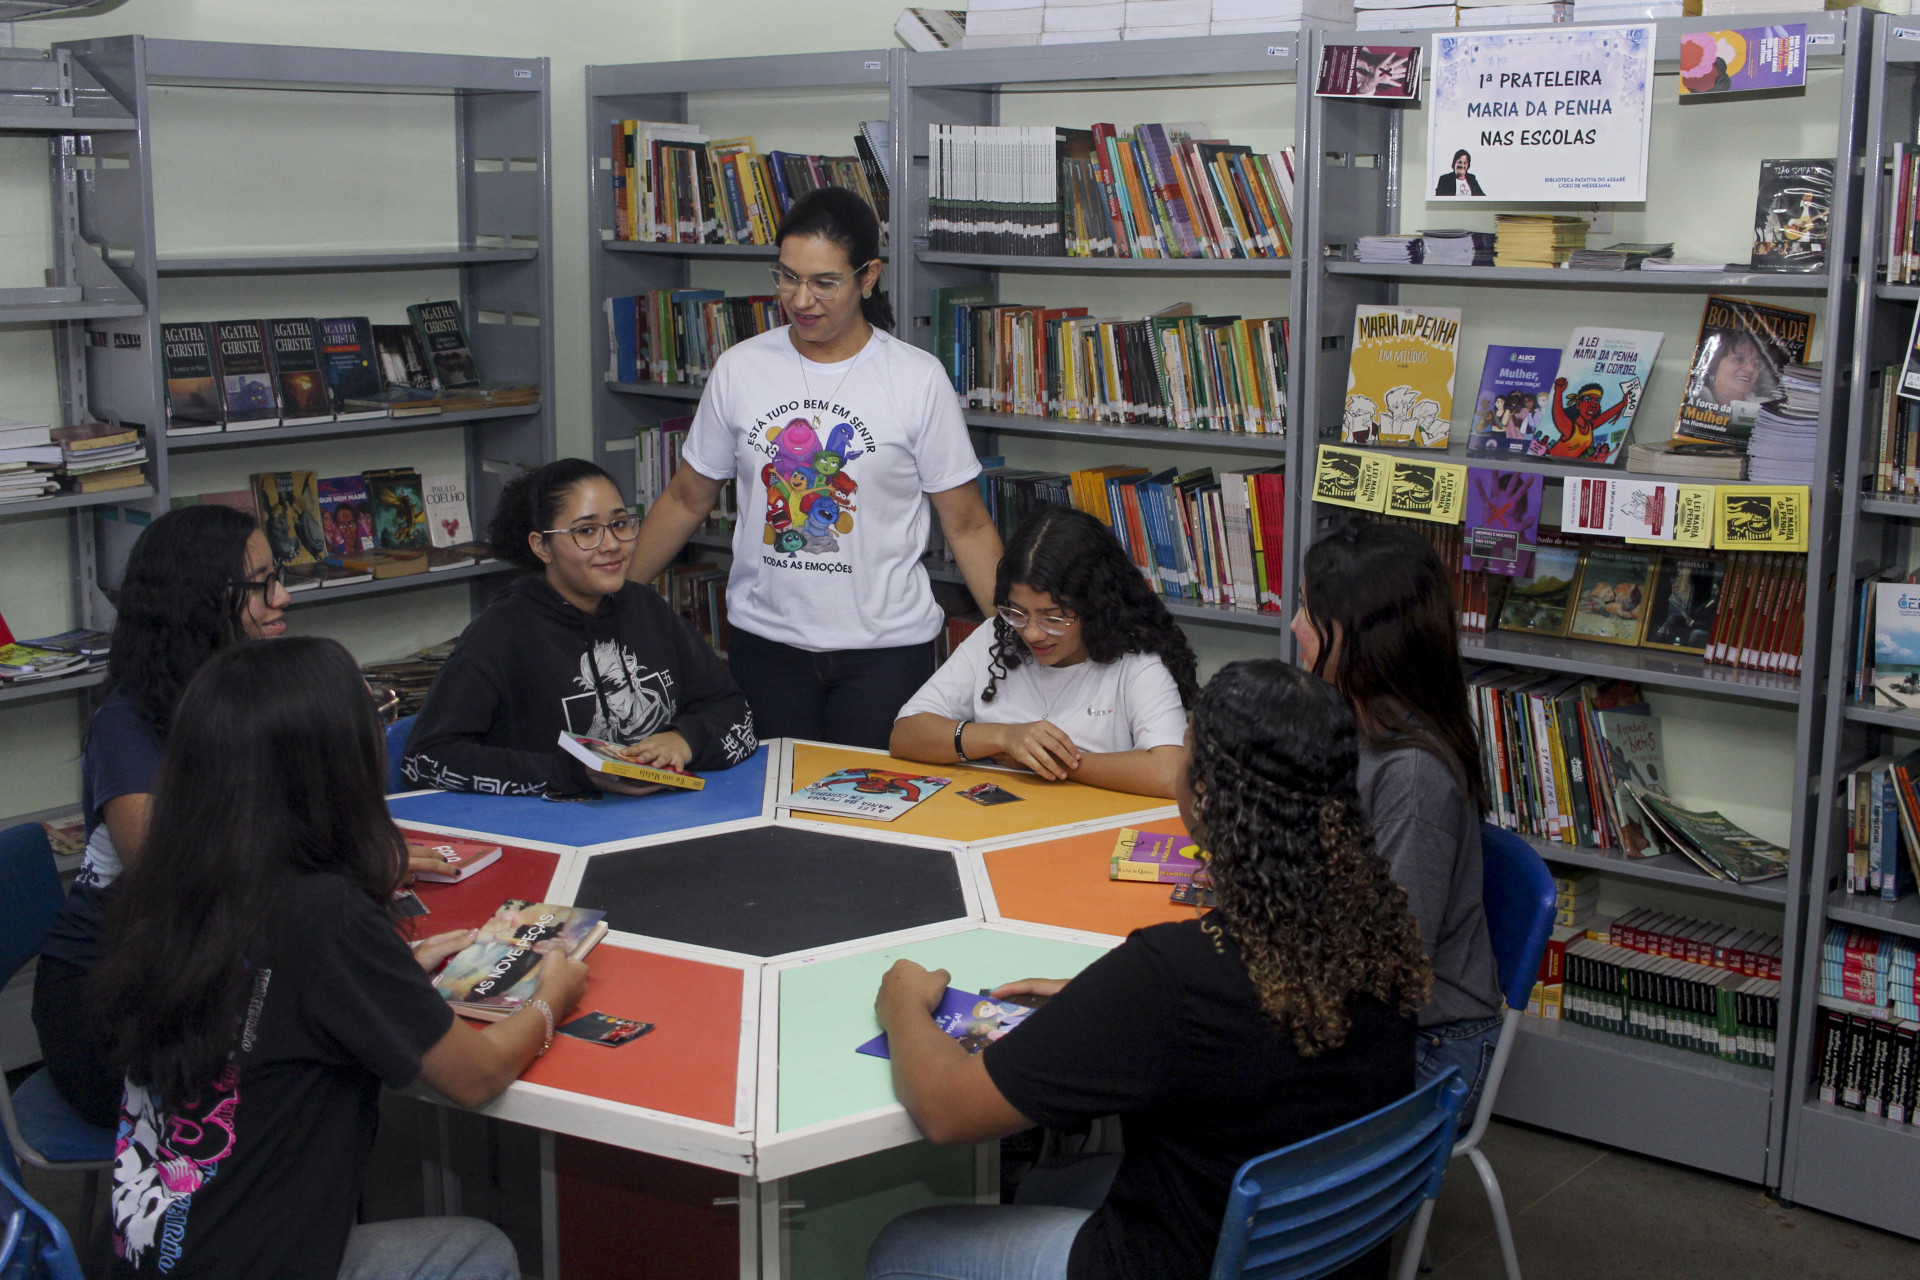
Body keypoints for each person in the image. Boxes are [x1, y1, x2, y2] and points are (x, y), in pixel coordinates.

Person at [865, 661, 1432, 1280]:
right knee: (1049, 1187)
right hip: (1318, 1249)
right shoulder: (1378, 934)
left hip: (1184, 1260)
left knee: (902, 1246)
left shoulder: (1173, 977)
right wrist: (1103, 1002)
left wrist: (902, 1003)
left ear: (1209, 795)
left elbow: (947, 1110)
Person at [91, 637, 589, 1279]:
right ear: (328, 763)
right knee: (480, 1251)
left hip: (149, 1256)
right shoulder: (324, 912)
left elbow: (267, 1006)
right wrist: (554, 995)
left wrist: (393, 973)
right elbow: (478, 1076)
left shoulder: (172, 882)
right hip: (251, 1262)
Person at [622, 185, 1003, 749]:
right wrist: (619, 598)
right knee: (768, 814)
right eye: (787, 277)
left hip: (887, 653)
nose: (802, 299)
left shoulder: (915, 378)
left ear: (868, 277)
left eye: (825, 282)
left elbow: (967, 524)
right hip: (765, 647)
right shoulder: (741, 368)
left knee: (876, 817)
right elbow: (686, 498)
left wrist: (1017, 633)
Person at [31, 505, 294, 1128]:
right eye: (259, 584)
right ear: (200, 603)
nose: (282, 596)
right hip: (116, 1005)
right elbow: (173, 872)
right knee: (315, 1069)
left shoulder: (251, 693)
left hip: (211, 973)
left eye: (275, 574)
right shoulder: (128, 724)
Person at [1293, 521, 1505, 1121]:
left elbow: (1392, 964)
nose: (1293, 628)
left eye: (1308, 612)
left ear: (1357, 635)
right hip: (1361, 1002)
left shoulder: (1412, 774)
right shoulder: (1351, 718)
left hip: (1429, 1045)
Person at [404, 458, 756, 796]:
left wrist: (685, 739)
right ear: (542, 546)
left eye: (620, 524)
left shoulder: (648, 609)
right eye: (586, 531)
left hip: (668, 818)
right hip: (552, 831)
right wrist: (569, 773)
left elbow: (734, 711)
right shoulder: (501, 634)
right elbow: (427, 759)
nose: (612, 545)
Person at [889, 506, 1195, 798]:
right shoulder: (995, 638)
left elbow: (1170, 773)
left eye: (1053, 617)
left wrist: (1052, 761)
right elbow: (906, 735)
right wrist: (1002, 738)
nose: (1033, 633)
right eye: (1017, 612)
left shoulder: (1137, 663)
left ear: (1095, 606)